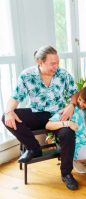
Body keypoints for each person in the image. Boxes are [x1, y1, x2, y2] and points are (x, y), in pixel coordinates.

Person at [1, 46, 79, 190]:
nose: (56, 66)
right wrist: (8, 111)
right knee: (7, 117)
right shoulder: (26, 76)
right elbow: (15, 97)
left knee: (68, 133)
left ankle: (66, 173)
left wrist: (72, 105)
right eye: (52, 63)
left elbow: (74, 93)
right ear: (40, 62)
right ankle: (33, 148)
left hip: (58, 115)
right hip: (37, 114)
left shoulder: (63, 75)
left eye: (57, 62)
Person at [46, 86, 86, 174]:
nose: (81, 104)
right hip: (78, 146)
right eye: (79, 99)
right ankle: (77, 160)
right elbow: (48, 125)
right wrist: (67, 123)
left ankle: (84, 159)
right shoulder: (70, 109)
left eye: (85, 102)